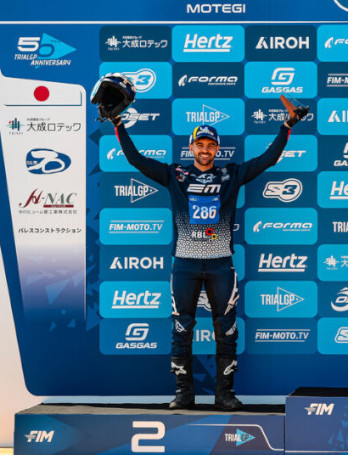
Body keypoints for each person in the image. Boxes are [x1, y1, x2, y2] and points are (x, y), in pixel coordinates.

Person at [96, 77, 307, 410]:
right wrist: (119, 124)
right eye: (200, 145)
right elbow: (135, 159)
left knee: (227, 330)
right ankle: (184, 394)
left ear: (217, 149)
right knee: (181, 329)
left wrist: (287, 126)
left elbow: (267, 159)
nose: (205, 150)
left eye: (211, 145)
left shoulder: (231, 175)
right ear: (191, 148)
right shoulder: (174, 174)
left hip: (221, 264)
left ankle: (225, 394)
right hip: (186, 265)